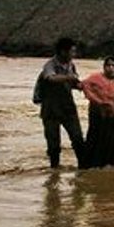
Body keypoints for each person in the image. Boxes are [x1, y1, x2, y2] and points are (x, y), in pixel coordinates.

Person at [37, 38, 86, 169]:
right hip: (50, 109)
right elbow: (50, 78)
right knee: (53, 145)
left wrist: (81, 86)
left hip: (68, 107)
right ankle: (54, 171)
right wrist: (68, 78)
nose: (74, 54)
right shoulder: (50, 65)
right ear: (63, 52)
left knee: (78, 139)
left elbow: (74, 83)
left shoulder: (71, 65)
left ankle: (83, 168)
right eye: (72, 51)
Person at [81, 57, 114, 168]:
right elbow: (84, 87)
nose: (110, 68)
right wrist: (99, 102)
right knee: (97, 142)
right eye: (108, 65)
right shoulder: (95, 78)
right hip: (100, 116)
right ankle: (91, 167)